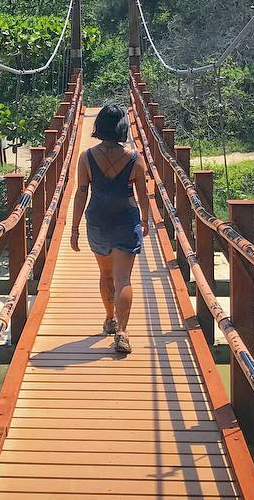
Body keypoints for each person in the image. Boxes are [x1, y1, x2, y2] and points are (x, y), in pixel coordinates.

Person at [70, 104, 151, 354]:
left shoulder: (86, 157)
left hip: (97, 221)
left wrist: (74, 228)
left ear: (99, 127)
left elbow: (81, 192)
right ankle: (123, 334)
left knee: (106, 275)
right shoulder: (135, 158)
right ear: (123, 128)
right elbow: (143, 193)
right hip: (126, 221)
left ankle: (109, 319)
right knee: (123, 278)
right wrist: (146, 219)